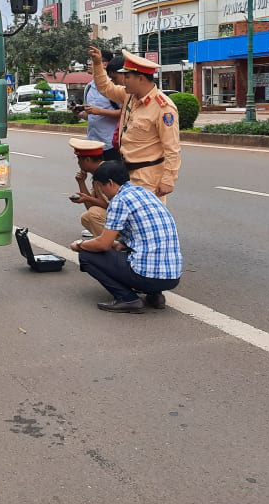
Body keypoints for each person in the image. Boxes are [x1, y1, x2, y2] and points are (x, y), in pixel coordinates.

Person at [71, 160, 182, 313]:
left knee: (87, 256)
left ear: (109, 183)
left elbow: (103, 243)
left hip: (147, 276)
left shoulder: (119, 200)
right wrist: (120, 244)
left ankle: (128, 299)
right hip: (173, 277)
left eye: (101, 186)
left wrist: (80, 245)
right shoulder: (144, 193)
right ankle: (155, 295)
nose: (102, 191)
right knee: (128, 252)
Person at [88, 47, 181, 202]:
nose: (123, 81)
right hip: (125, 173)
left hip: (148, 177)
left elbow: (172, 148)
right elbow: (105, 87)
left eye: (127, 77)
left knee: (147, 223)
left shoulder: (164, 108)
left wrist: (168, 180)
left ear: (141, 78)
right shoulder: (129, 96)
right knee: (126, 221)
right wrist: (97, 64)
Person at [79, 51, 121, 161]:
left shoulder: (115, 87)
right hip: (92, 143)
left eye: (92, 60)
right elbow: (91, 115)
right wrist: (79, 113)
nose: (88, 63)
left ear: (105, 64)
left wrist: (100, 111)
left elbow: (126, 113)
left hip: (111, 144)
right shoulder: (88, 87)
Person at [67, 138, 108, 237]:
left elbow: (108, 206)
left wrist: (87, 198)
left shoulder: (105, 174)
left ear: (87, 160)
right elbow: (91, 206)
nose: (78, 163)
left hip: (125, 218)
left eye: (79, 159)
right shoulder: (97, 173)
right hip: (118, 216)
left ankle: (109, 245)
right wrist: (81, 182)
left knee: (93, 214)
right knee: (86, 217)